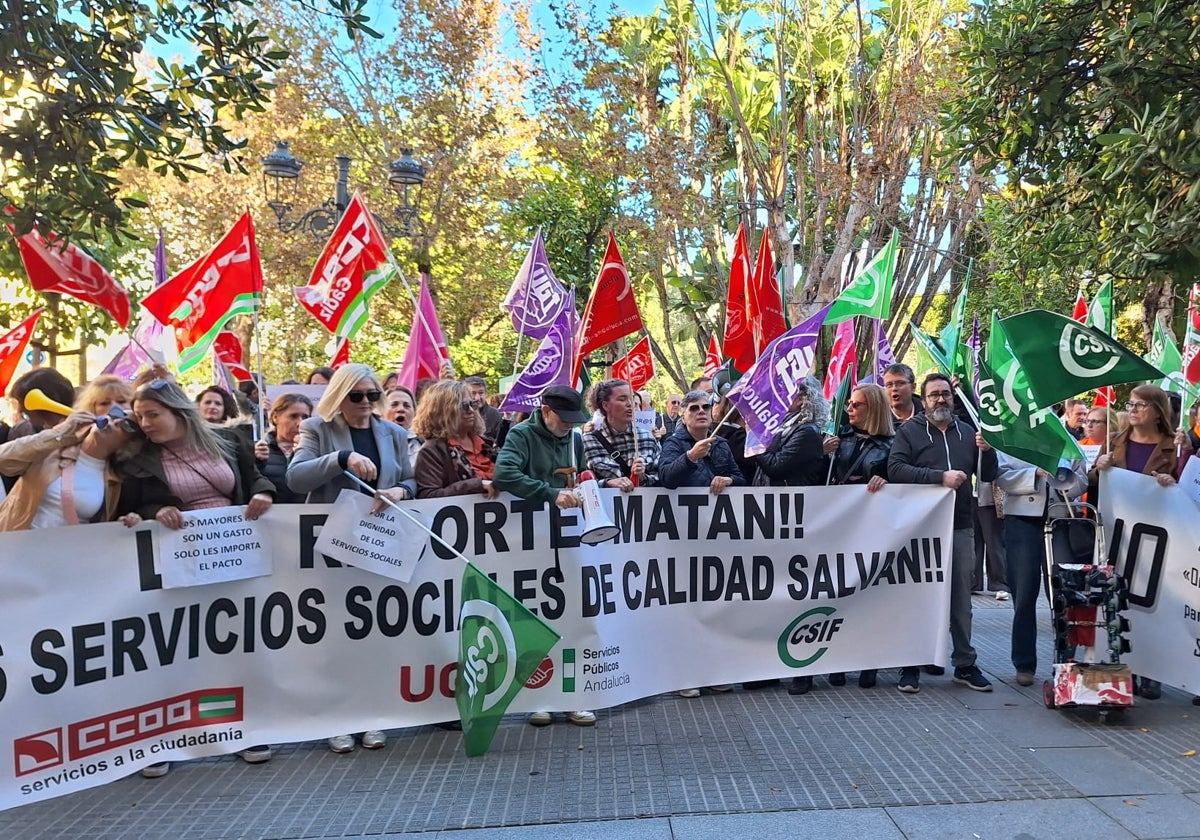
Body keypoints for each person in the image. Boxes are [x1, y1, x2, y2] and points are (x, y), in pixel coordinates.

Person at [120, 379, 276, 776]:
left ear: (178, 412)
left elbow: (253, 476)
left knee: (235, 646)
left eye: (152, 414)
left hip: (232, 556)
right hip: (177, 563)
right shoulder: (138, 458)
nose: (145, 422)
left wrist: (263, 493)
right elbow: (132, 505)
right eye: (140, 416)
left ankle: (244, 732)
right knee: (177, 651)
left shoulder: (227, 441)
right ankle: (166, 741)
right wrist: (158, 510)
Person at [285, 364, 416, 750]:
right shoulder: (316, 429)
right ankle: (336, 718)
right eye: (356, 396)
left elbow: (409, 479)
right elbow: (295, 478)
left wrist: (400, 493)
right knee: (335, 636)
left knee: (375, 632)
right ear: (340, 396)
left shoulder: (392, 433)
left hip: (380, 542)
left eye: (372, 395)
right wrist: (340, 459)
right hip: (333, 545)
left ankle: (372, 712)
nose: (365, 403)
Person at [492, 385, 596, 728]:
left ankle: (574, 695)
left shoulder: (575, 439)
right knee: (535, 615)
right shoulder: (521, 435)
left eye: (573, 420)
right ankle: (540, 698)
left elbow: (580, 473)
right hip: (528, 540)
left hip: (568, 538)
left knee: (573, 616)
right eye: (563, 419)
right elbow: (504, 474)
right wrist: (549, 494)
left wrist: (589, 487)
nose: (569, 426)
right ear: (545, 411)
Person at [888, 372, 997, 694]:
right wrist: (939, 477)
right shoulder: (909, 432)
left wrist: (988, 451)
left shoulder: (968, 432)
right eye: (934, 394)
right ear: (924, 400)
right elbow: (895, 470)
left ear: (953, 397)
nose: (940, 399)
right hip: (920, 529)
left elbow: (989, 475)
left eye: (945, 394)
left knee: (961, 600)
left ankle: (964, 663)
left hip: (960, 525)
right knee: (918, 597)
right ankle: (910, 664)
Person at [1089, 384, 1181, 700]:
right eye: (1131, 404)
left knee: (1151, 607)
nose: (1133, 409)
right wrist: (1099, 470)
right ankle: (1119, 667)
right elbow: (1094, 485)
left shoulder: (1173, 448)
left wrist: (1172, 483)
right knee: (1117, 601)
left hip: (1157, 541)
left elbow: (1185, 495)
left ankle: (1151, 672)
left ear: (1158, 411)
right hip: (1118, 537)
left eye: (1141, 404)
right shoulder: (1115, 443)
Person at [800, 383, 893, 693]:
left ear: (874, 408)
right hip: (839, 528)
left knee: (869, 596)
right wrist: (822, 454)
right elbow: (817, 480)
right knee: (838, 595)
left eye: (858, 405)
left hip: (871, 529)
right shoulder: (839, 441)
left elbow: (904, 477)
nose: (850, 409)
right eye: (850, 404)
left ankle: (869, 661)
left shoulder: (892, 445)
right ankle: (837, 659)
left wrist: (888, 481)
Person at [994, 452, 1087, 687]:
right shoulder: (1012, 437)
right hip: (1021, 520)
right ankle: (1024, 662)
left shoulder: (1063, 436)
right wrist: (1034, 474)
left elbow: (1082, 478)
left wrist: (1064, 482)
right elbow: (1001, 476)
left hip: (1060, 519)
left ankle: (1066, 661)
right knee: (1024, 593)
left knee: (1064, 593)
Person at [0, 378, 138, 532]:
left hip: (69, 552)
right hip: (16, 545)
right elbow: (3, 460)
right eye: (104, 404)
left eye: (126, 423)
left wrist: (131, 518)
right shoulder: (53, 445)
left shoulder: (118, 476)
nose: (113, 412)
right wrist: (60, 432)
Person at [413, 381, 498, 499]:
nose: (471, 411)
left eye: (472, 404)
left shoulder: (487, 444)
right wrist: (476, 486)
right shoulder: (432, 451)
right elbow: (428, 496)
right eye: (463, 406)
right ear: (442, 411)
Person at [658, 390, 744, 493]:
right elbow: (666, 478)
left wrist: (729, 480)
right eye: (694, 408)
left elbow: (741, 480)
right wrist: (691, 457)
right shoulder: (674, 442)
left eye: (706, 407)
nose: (701, 411)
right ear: (683, 418)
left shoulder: (721, 443)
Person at [582, 379, 660, 491]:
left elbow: (661, 478)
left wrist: (642, 477)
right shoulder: (588, 441)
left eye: (632, 398)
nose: (630, 404)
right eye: (622, 399)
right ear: (605, 405)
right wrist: (607, 484)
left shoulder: (647, 438)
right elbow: (579, 482)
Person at [754, 376, 829, 489]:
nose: (775, 396)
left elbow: (774, 467)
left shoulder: (807, 433)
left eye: (782, 392)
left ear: (800, 399)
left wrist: (755, 438)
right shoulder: (779, 426)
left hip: (788, 503)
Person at [254, 394, 313, 503]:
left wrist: (307, 451)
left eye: (305, 417)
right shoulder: (259, 450)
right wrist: (256, 461)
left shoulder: (316, 451)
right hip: (269, 516)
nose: (300, 423)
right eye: (293, 416)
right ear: (275, 417)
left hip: (307, 516)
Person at [464, 375, 509, 448]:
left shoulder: (496, 415)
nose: (477, 398)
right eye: (473, 393)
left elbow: (501, 443)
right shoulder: (460, 415)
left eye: (481, 393)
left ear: (486, 393)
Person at [384, 386, 423, 461]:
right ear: (381, 412)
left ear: (414, 413)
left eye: (407, 405)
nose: (401, 409)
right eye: (394, 405)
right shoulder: (372, 442)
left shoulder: (423, 444)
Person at [881, 363, 922, 428]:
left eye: (900, 383)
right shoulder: (878, 419)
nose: (894, 388)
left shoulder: (929, 415)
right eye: (889, 385)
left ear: (913, 387)